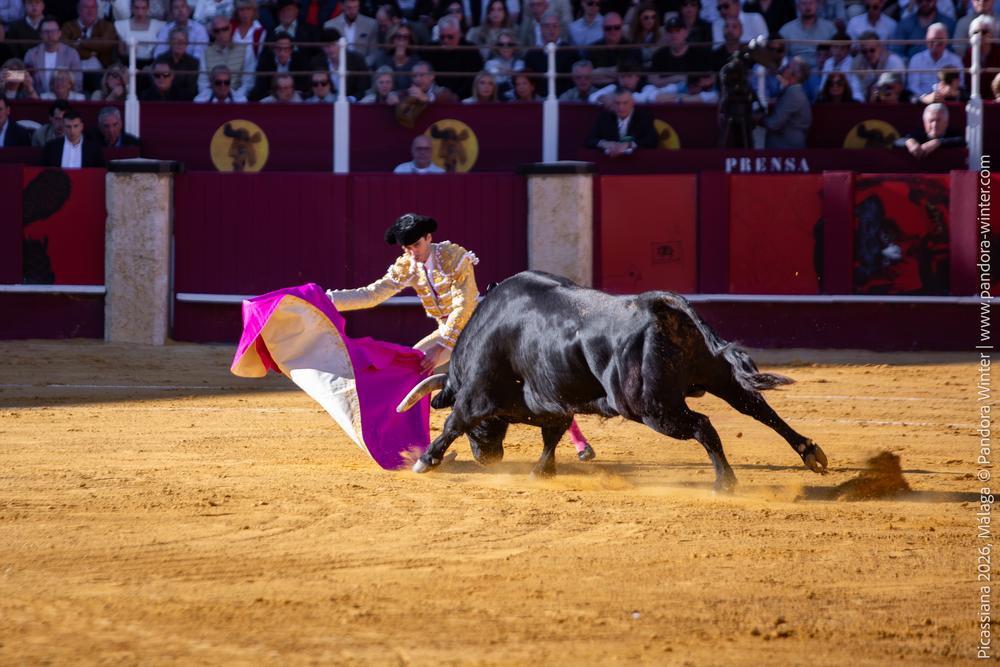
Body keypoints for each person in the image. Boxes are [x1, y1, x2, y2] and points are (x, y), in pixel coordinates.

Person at [325, 212, 597, 462]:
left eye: (416, 246)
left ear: (429, 238)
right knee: (408, 371)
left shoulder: (454, 258)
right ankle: (418, 446)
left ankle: (579, 441)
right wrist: (327, 300)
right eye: (406, 248)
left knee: (530, 378)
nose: (412, 253)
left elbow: (464, 305)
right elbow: (374, 294)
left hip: (479, 329)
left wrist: (442, 345)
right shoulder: (407, 265)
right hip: (447, 330)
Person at [422, 14, 483, 98]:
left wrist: (457, 96)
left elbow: (474, 78)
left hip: (465, 98)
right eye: (442, 37)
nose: (445, 41)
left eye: (450, 37)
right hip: (435, 97)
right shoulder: (430, 49)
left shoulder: (470, 50)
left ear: (459, 34)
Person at [61, 0, 119, 89]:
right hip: (73, 71)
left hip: (101, 72)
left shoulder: (107, 26)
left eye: (93, 7)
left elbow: (105, 44)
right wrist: (91, 52)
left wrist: (80, 42)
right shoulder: (68, 26)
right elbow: (65, 47)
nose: (90, 11)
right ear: (79, 10)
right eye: (86, 7)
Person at [585, 87, 658, 155]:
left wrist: (629, 144)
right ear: (613, 104)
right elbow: (589, 140)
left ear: (632, 103)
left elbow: (652, 140)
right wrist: (604, 143)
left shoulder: (644, 117)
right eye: (617, 103)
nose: (621, 107)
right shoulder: (604, 117)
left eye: (625, 103)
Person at [758, 56, 811, 148]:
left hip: (787, 148)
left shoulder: (793, 93)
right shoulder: (792, 90)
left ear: (797, 74)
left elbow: (774, 124)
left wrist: (760, 119)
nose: (783, 69)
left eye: (788, 67)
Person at [198, 14, 255, 97]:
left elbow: (248, 82)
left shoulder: (245, 49)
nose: (221, 33)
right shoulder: (206, 52)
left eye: (225, 29)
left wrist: (235, 97)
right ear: (212, 33)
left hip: (237, 98)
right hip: (212, 98)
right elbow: (202, 83)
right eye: (217, 31)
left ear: (231, 28)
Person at [24, 15, 81, 94]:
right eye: (46, 32)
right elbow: (25, 78)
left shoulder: (71, 54)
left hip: (65, 100)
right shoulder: (31, 54)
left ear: (59, 33)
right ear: (40, 35)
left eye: (53, 31)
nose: (50, 35)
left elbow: (78, 82)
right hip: (38, 99)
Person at [905, 22, 962, 98]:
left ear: (946, 40)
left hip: (947, 101)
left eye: (940, 40)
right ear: (926, 40)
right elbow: (913, 87)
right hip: (921, 103)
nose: (935, 43)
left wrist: (946, 93)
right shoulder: (916, 60)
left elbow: (959, 85)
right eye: (932, 40)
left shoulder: (955, 61)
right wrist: (927, 98)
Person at [249, 32, 308, 100]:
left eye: (286, 49)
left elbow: (303, 84)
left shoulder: (299, 59)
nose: (282, 53)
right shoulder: (265, 59)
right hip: (272, 95)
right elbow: (261, 85)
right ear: (274, 49)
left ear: (291, 50)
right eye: (279, 49)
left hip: (292, 94)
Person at [893, 102, 964, 157]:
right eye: (931, 121)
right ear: (924, 122)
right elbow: (897, 142)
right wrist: (909, 142)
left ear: (946, 122)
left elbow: (961, 141)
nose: (934, 125)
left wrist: (938, 142)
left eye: (938, 120)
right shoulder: (919, 134)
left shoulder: (954, 134)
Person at [778, 0, 836, 68]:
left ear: (817, 5)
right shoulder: (786, 30)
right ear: (797, 6)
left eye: (811, 3)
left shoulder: (830, 28)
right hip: (795, 71)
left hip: (822, 70)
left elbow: (836, 53)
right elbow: (781, 57)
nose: (808, 6)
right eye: (804, 3)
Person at [41, 107, 105, 166]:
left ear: (81, 126)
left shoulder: (94, 149)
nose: (72, 131)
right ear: (64, 126)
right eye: (68, 126)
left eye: (76, 126)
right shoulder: (51, 147)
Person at [114, 0, 165, 67]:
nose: (140, 12)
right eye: (137, 8)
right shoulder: (122, 25)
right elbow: (121, 51)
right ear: (131, 8)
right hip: (128, 63)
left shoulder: (158, 25)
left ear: (148, 9)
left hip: (152, 64)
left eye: (143, 8)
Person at [152, 27, 199, 99]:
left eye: (182, 41)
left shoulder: (193, 62)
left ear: (187, 43)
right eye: (175, 40)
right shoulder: (160, 59)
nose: (179, 44)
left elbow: (191, 89)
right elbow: (156, 82)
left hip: (184, 100)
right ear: (169, 42)